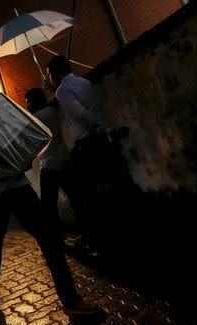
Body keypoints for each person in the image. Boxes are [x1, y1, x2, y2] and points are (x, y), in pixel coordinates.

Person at [0, 74, 104, 316]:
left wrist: (23, 158)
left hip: (18, 184)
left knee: (50, 239)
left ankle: (71, 300)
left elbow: (20, 138)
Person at [46, 55, 135, 252]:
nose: (50, 79)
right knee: (109, 185)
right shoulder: (84, 82)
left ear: (55, 73)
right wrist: (104, 129)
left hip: (86, 144)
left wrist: (101, 127)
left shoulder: (62, 91)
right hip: (101, 139)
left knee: (88, 194)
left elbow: (81, 113)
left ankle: (95, 239)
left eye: (50, 74)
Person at [24, 88, 85, 240]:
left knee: (48, 205)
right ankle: (87, 231)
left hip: (50, 166)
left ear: (35, 101)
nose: (27, 106)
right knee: (76, 198)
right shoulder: (51, 111)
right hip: (64, 159)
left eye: (28, 102)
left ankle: (56, 235)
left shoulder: (37, 117)